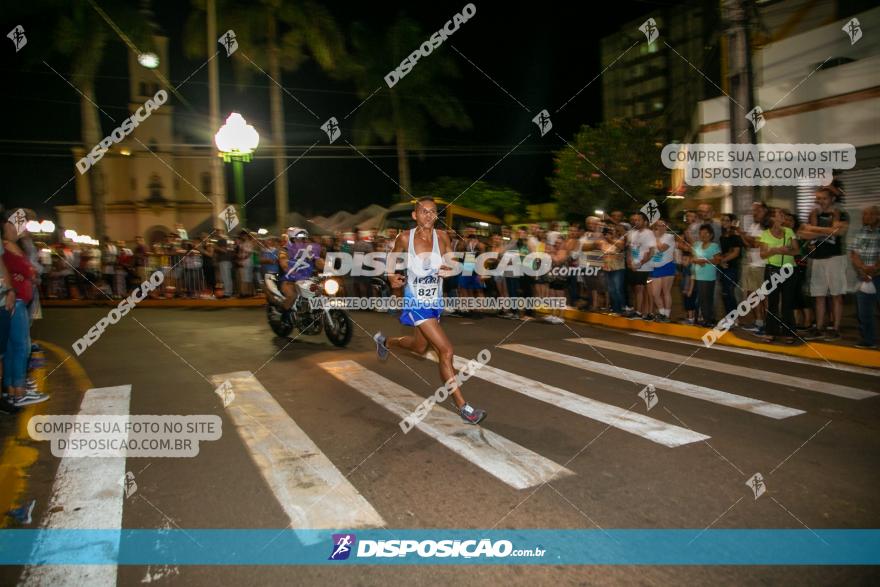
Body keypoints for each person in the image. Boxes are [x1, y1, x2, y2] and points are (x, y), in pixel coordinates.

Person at [373, 197, 487, 425]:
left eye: (432, 212)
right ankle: (464, 407)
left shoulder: (442, 237)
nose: (428, 215)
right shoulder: (405, 237)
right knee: (445, 351)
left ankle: (386, 343)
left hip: (435, 301)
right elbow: (392, 258)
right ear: (415, 215)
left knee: (419, 347)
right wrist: (390, 276)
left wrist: (451, 270)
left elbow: (455, 263)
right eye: (423, 211)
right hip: (415, 301)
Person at [1, 220, 47, 406]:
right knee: (21, 347)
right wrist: (25, 274)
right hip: (16, 300)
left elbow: (29, 269)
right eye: (13, 225)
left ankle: (12, 390)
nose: (17, 228)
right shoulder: (6, 247)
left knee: (13, 348)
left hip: (20, 299)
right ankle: (19, 392)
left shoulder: (14, 246)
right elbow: (18, 269)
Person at [798, 187, 850, 341]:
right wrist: (828, 230)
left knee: (836, 295)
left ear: (832, 199)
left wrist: (814, 229)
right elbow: (803, 233)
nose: (820, 201)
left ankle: (835, 329)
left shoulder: (841, 214)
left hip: (835, 258)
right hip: (817, 259)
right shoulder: (813, 214)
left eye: (823, 198)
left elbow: (839, 232)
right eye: (818, 198)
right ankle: (819, 328)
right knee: (818, 295)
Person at [758, 208, 800, 344]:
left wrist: (785, 252)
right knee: (773, 302)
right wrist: (776, 250)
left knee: (787, 302)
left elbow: (797, 251)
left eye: (783, 214)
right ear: (772, 219)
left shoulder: (789, 231)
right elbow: (763, 254)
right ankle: (771, 331)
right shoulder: (765, 234)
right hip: (772, 269)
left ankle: (789, 332)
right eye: (780, 215)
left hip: (789, 269)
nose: (783, 217)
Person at [849, 205, 879, 349]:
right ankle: (868, 340)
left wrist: (874, 270)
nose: (864, 217)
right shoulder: (860, 232)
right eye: (864, 215)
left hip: (878, 276)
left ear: (877, 216)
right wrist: (862, 270)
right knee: (863, 312)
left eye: (868, 214)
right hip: (863, 277)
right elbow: (854, 254)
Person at [739, 202, 770, 335]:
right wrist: (743, 235)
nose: (754, 213)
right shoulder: (754, 225)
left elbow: (757, 243)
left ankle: (768, 324)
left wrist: (745, 236)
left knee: (763, 297)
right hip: (752, 264)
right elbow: (748, 244)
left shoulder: (767, 226)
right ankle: (759, 322)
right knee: (752, 295)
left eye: (757, 210)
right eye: (753, 210)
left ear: (764, 210)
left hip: (762, 265)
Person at [278, 227, 324, 311]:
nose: (303, 241)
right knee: (292, 295)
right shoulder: (284, 250)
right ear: (292, 240)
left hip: (306, 280)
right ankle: (284, 316)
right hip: (288, 280)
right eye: (300, 239)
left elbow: (317, 260)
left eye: (304, 239)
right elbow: (284, 265)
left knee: (321, 291)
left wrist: (329, 267)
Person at [625, 212, 656, 319]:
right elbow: (629, 249)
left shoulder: (648, 233)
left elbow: (651, 251)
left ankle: (643, 312)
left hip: (645, 266)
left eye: (638, 220)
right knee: (636, 289)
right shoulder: (631, 233)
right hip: (633, 265)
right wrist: (629, 262)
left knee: (643, 289)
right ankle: (639, 311)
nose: (635, 222)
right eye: (633, 220)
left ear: (644, 221)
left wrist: (640, 263)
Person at [690, 224, 722, 326]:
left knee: (706, 299)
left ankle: (707, 320)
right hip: (697, 275)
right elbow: (693, 258)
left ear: (711, 235)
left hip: (708, 276)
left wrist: (705, 260)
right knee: (699, 299)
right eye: (701, 233)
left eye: (706, 233)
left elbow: (717, 261)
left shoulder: (714, 246)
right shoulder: (696, 244)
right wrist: (696, 260)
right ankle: (699, 319)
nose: (703, 235)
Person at [649, 220, 676, 322]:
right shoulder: (652, 238)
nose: (660, 228)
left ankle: (667, 315)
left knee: (666, 292)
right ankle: (661, 313)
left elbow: (661, 249)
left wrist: (656, 237)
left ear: (666, 227)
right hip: (655, 267)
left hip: (667, 266)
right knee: (655, 293)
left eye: (662, 226)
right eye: (657, 226)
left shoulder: (669, 237)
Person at [719, 214, 743, 317]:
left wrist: (722, 260)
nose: (724, 222)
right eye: (723, 220)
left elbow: (736, 253)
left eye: (727, 220)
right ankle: (730, 317)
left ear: (732, 222)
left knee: (729, 292)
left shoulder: (735, 236)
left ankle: (733, 318)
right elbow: (723, 252)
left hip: (732, 268)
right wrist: (721, 261)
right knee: (725, 293)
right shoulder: (722, 236)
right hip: (723, 267)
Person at [599, 227, 626, 315]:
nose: (610, 233)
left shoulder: (620, 241)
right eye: (608, 232)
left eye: (612, 231)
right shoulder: (603, 242)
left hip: (618, 269)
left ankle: (621, 309)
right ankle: (615, 309)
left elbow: (621, 247)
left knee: (618, 289)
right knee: (611, 290)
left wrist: (610, 240)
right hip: (607, 269)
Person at [679, 251, 697, 324]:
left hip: (690, 290)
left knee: (689, 305)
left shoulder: (690, 268)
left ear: (690, 259)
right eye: (682, 259)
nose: (683, 261)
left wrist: (689, 290)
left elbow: (691, 280)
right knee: (688, 305)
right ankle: (691, 318)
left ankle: (690, 319)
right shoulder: (685, 268)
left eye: (685, 259)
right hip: (687, 290)